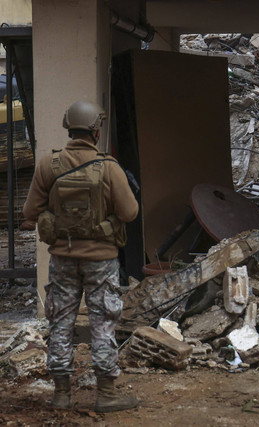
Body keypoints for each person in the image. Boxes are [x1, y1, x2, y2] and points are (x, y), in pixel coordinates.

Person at [23, 101, 139, 413]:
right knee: (103, 323)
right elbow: (129, 212)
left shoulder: (50, 164)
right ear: (96, 131)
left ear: (68, 127)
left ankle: (61, 394)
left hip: (63, 258)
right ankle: (106, 394)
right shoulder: (109, 167)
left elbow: (29, 213)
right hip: (102, 261)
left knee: (61, 322)